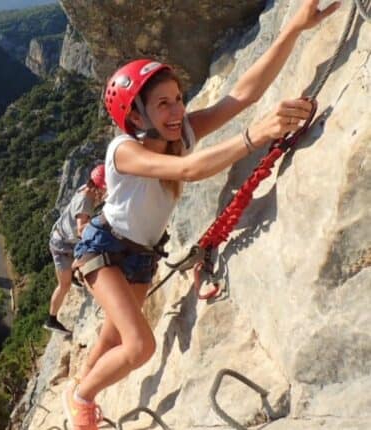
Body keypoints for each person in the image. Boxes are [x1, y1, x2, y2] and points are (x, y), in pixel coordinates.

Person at [61, 1, 339, 428]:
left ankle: (81, 391)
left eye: (177, 100)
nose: (177, 112)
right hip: (104, 249)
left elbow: (242, 94)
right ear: (135, 115)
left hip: (138, 254)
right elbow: (188, 170)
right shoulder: (124, 152)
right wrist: (254, 136)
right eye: (163, 105)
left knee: (114, 335)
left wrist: (294, 29)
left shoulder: (176, 134)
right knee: (139, 348)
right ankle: (82, 399)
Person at [44, 164, 107, 335]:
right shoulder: (86, 201)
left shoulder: (86, 188)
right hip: (62, 245)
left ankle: (72, 276)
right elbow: (81, 229)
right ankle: (51, 319)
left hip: (65, 239)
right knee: (63, 285)